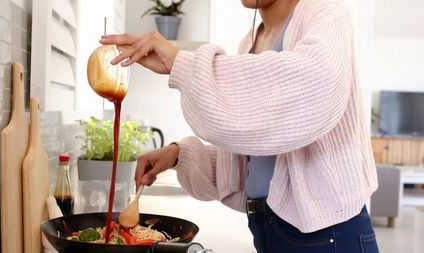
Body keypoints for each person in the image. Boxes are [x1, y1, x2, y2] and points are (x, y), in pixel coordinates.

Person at [100, 0, 379, 252]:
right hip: (267, 227)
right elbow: (251, 163)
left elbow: (316, 84)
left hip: (326, 232)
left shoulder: (326, 14)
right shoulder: (250, 42)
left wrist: (179, 61)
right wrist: (178, 154)